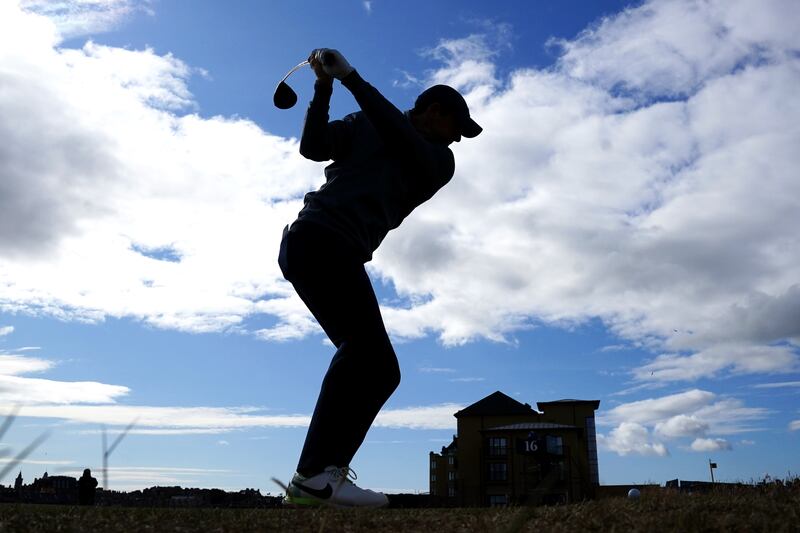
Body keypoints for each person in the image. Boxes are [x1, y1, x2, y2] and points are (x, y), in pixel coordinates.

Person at [278, 48, 482, 508]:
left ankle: (319, 478)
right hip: (317, 239)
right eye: (457, 129)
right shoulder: (368, 121)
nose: (458, 141)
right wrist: (324, 87)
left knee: (378, 366)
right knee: (366, 354)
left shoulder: (437, 162)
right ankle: (314, 477)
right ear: (434, 112)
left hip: (329, 249)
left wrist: (350, 77)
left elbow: (400, 135)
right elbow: (313, 147)